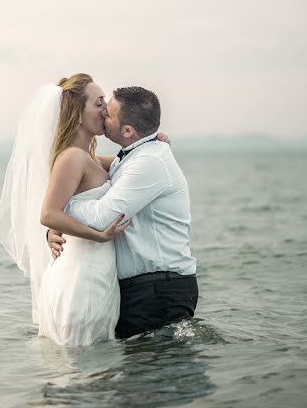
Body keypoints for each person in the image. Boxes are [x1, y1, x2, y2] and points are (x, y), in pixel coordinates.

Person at [47, 86, 198, 339]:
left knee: (155, 373)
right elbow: (90, 166)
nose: (104, 112)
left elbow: (103, 217)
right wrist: (55, 223)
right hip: (144, 288)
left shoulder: (149, 161)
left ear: (128, 131)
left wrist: (61, 209)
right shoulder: (129, 157)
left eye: (109, 113)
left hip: (158, 289)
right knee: (136, 374)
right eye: (101, 106)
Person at [0, 74, 129, 346]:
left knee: (95, 375)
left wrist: (155, 139)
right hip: (79, 277)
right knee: (78, 370)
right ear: (77, 114)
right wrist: (99, 235)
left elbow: (126, 162)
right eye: (99, 103)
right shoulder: (71, 157)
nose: (107, 109)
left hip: (94, 273)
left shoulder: (86, 157)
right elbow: (49, 214)